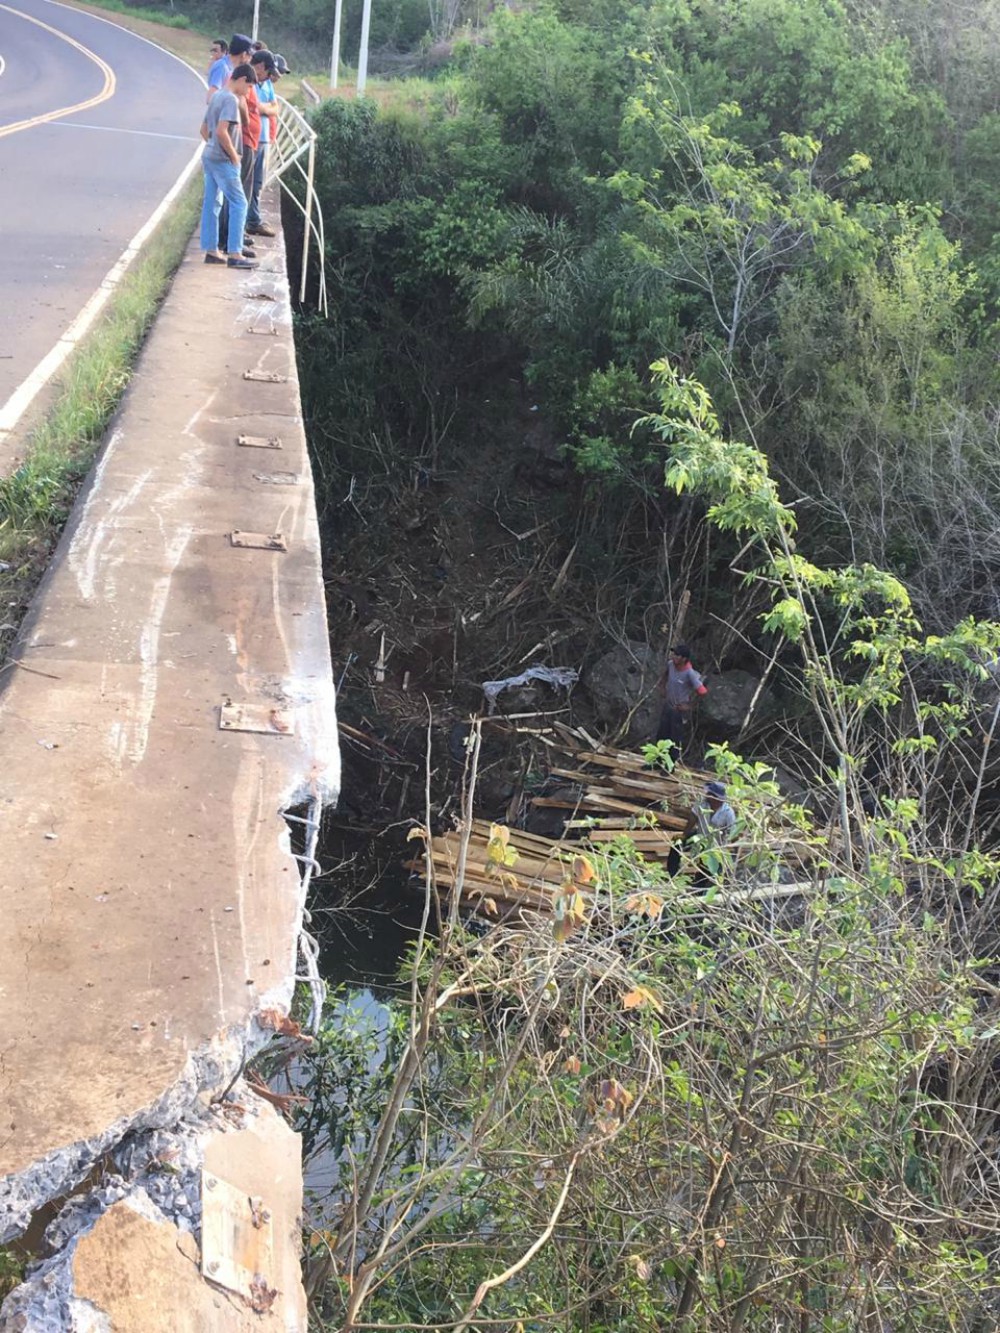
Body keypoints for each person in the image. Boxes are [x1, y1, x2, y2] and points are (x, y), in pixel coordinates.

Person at [199, 63, 257, 269]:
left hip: (210, 156)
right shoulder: (231, 99)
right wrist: (234, 156)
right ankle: (235, 253)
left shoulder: (217, 96)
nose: (248, 91)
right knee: (239, 203)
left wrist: (213, 147)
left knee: (212, 202)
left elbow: (204, 129)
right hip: (224, 160)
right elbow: (223, 131)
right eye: (249, 86)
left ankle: (211, 250)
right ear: (241, 80)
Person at [247, 50, 279, 236]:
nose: (270, 75)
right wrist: (266, 109)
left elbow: (275, 108)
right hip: (251, 139)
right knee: (247, 182)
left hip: (264, 139)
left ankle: (254, 220)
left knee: (257, 183)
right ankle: (245, 222)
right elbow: (254, 108)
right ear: (260, 66)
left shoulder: (267, 84)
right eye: (268, 71)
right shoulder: (249, 82)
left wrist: (265, 109)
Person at [655, 643, 708, 754]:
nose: (674, 657)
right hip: (668, 705)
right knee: (661, 736)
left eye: (677, 655)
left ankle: (670, 766)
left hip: (678, 710)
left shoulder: (690, 674)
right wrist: (662, 686)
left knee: (674, 740)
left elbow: (702, 691)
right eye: (674, 654)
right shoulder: (671, 665)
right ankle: (656, 761)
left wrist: (689, 706)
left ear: (684, 659)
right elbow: (665, 675)